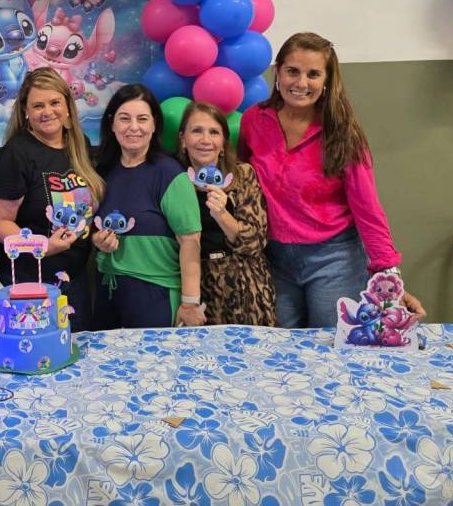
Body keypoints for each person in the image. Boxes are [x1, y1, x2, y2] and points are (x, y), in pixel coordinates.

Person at [239, 32, 427, 328]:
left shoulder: (342, 132)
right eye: (292, 71)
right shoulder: (253, 120)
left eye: (313, 74)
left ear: (327, 80)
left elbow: (367, 208)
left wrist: (388, 274)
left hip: (334, 258)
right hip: (273, 258)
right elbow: (242, 184)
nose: (301, 83)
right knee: (278, 343)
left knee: (330, 342)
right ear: (278, 72)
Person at [0, 67, 103, 331]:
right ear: (25, 111)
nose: (47, 111)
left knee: (74, 353)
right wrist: (42, 246)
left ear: (67, 106)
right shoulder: (16, 154)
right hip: (31, 285)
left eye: (54, 103)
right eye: (38, 105)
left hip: (74, 281)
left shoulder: (79, 145)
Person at [92, 84, 204, 329]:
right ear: (112, 124)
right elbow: (94, 226)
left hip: (156, 291)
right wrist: (98, 241)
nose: (133, 127)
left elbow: (190, 241)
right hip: (107, 288)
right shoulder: (102, 172)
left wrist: (190, 303)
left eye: (142, 119)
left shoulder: (169, 173)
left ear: (154, 125)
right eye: (124, 118)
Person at [176, 102, 275, 326]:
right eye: (197, 131)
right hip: (195, 287)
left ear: (223, 143)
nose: (205, 140)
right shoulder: (174, 180)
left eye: (214, 132)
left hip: (243, 284)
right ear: (183, 139)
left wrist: (222, 215)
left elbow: (255, 241)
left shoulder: (242, 175)